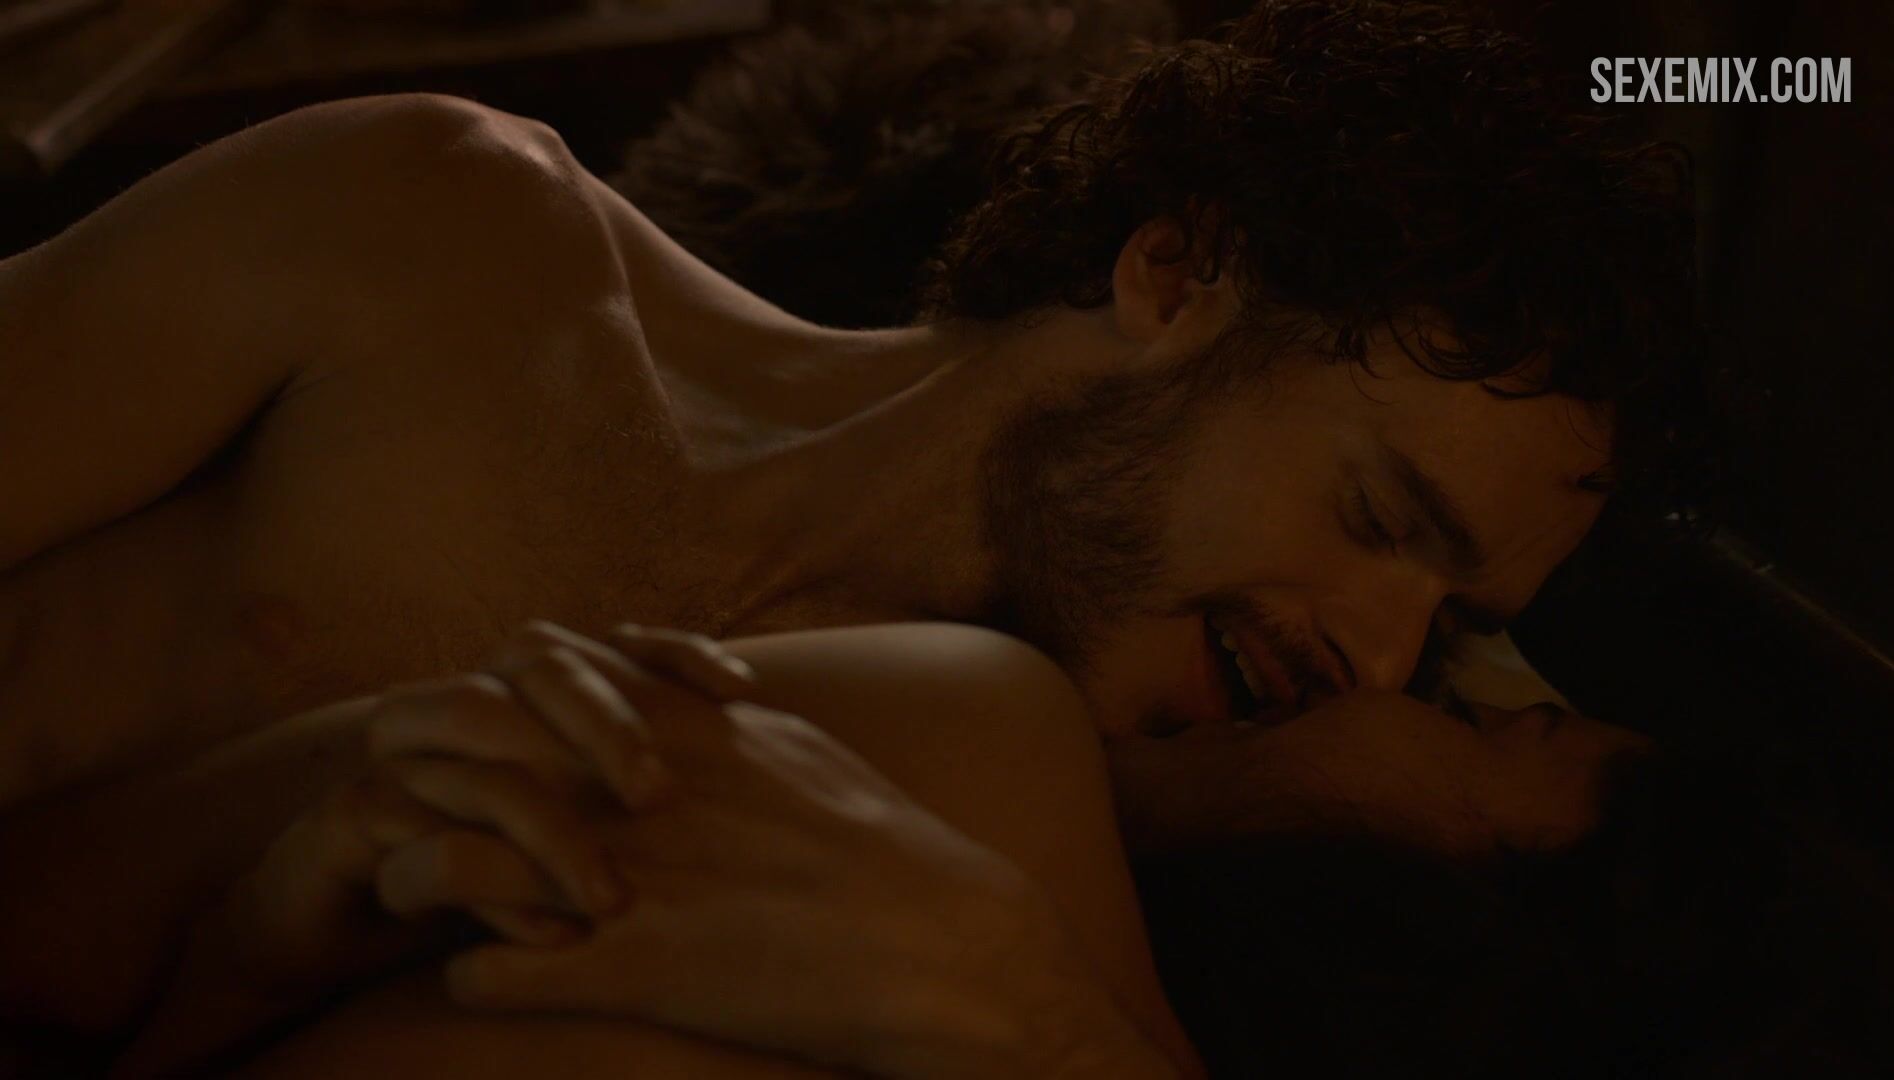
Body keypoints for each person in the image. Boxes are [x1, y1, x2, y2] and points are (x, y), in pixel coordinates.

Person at [0, 0, 1701, 1052]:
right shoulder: (446, 238)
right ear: (1176, 277)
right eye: (1377, 512)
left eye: (1451, 636)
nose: (1380, 661)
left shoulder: (989, 816)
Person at [108, 621, 1652, 1077]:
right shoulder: (969, 764)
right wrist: (239, 974)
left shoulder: (981, 770)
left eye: (1476, 716)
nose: (1380, 663)